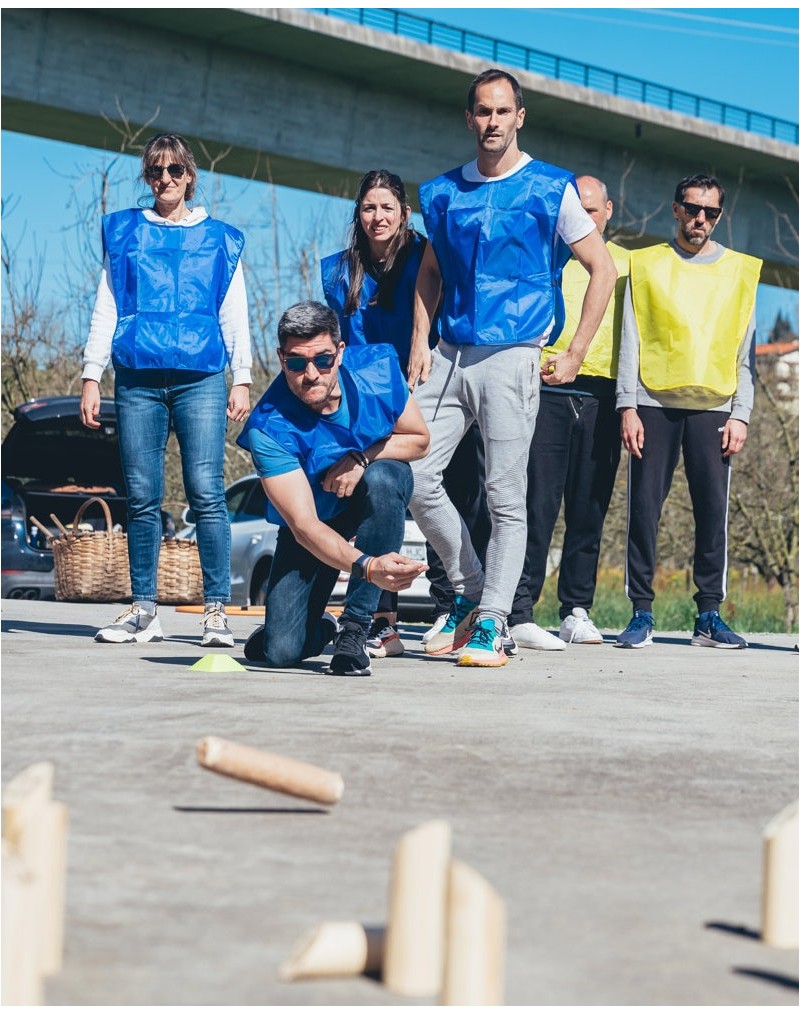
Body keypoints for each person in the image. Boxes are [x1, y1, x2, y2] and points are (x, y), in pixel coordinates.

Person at [407, 67, 617, 667]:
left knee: (505, 493)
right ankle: (474, 590)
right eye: (481, 111)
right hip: (449, 355)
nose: (491, 122)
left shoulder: (551, 189)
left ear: (519, 117)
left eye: (502, 111)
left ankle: (495, 620)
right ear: (468, 117)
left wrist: (574, 351)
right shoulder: (444, 192)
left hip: (515, 354)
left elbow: (601, 269)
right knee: (416, 479)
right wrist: (421, 339)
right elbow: (430, 270)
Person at [80, 133, 252, 648]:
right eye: (155, 171)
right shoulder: (125, 232)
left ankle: (216, 611)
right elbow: (106, 304)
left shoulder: (220, 238)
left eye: (175, 170)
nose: (165, 180)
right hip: (137, 379)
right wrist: (92, 374)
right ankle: (142, 610)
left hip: (201, 378)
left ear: (190, 176)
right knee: (141, 496)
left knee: (206, 492)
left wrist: (241, 377)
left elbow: (234, 310)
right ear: (147, 177)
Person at [321, 170, 501, 659]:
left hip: (434, 388)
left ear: (403, 212)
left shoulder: (426, 256)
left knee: (452, 496)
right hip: (371, 404)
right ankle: (384, 621)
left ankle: (454, 605)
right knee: (382, 501)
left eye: (387, 207)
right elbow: (337, 345)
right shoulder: (340, 271)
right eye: (367, 208)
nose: (377, 217)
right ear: (358, 215)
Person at [237, 301, 429, 676]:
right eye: (296, 363)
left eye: (322, 360)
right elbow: (305, 527)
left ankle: (354, 630)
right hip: (317, 523)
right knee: (281, 650)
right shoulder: (267, 429)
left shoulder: (376, 370)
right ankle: (315, 625)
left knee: (384, 477)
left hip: (370, 494)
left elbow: (420, 440)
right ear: (281, 358)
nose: (310, 374)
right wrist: (369, 566)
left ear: (340, 352)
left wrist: (361, 458)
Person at [615, 173, 761, 649]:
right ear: (675, 208)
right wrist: (627, 406)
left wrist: (741, 413)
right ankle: (640, 612)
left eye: (710, 212)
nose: (700, 218)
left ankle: (708, 616)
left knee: (713, 513)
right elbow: (630, 340)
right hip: (653, 403)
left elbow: (746, 351)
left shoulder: (740, 271)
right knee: (643, 512)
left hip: (714, 407)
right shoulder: (647, 264)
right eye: (692, 208)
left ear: (719, 216)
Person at [508, 175, 630, 650]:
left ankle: (576, 610)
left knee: (589, 508)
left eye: (593, 210)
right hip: (546, 395)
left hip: (602, 398)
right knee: (534, 506)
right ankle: (519, 609)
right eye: (575, 209)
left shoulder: (628, 265)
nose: (583, 218)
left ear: (609, 211)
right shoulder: (542, 255)